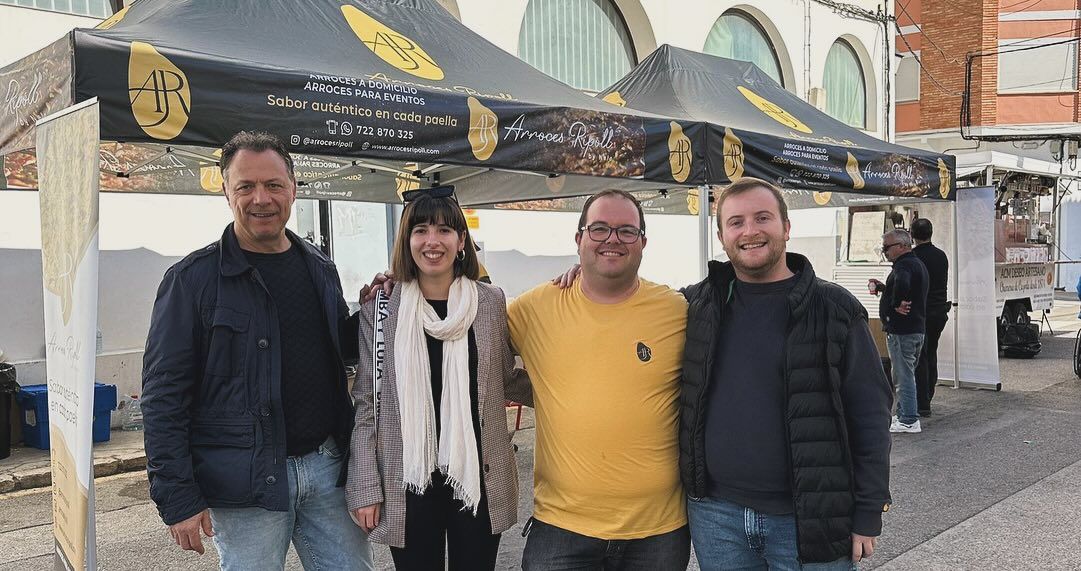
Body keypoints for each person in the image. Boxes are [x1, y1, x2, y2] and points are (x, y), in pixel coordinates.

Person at [141, 131, 373, 570]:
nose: (260, 198)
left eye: (273, 185)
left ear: (294, 190)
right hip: (246, 482)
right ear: (226, 192)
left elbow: (331, 350)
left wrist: (374, 310)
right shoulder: (191, 281)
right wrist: (177, 497)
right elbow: (163, 397)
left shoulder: (320, 268)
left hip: (327, 469)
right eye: (245, 186)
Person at [678, 178, 893, 569]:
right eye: (736, 222)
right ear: (722, 236)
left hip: (812, 517)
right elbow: (628, 300)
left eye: (763, 218)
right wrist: (581, 276)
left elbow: (871, 416)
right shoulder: (696, 304)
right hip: (716, 516)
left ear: (786, 228)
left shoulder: (835, 309)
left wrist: (868, 512)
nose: (750, 231)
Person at [347, 187, 526, 570]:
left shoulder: (491, 302)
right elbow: (367, 404)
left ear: (462, 241)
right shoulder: (382, 310)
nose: (432, 241)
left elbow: (506, 378)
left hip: (478, 476)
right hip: (408, 480)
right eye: (421, 229)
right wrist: (364, 485)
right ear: (406, 240)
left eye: (445, 230)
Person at [511, 190, 690, 570]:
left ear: (643, 242)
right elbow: (469, 333)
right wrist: (410, 280)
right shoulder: (535, 308)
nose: (612, 239)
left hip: (657, 532)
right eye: (599, 229)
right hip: (562, 527)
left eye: (627, 231)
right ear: (579, 240)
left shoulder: (677, 310)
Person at [870, 228, 929, 434]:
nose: (885, 251)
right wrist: (884, 289)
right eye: (883, 247)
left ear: (902, 246)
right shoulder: (916, 264)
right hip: (915, 328)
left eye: (887, 247)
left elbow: (903, 284)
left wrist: (895, 303)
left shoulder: (904, 266)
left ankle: (909, 419)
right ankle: (905, 413)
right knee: (904, 373)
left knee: (903, 376)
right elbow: (906, 287)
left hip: (903, 331)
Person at [911, 218, 949, 417]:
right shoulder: (941, 256)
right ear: (931, 233)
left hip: (921, 313)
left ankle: (922, 401)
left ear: (911, 235)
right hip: (939, 312)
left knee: (920, 358)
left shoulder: (913, 258)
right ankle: (929, 394)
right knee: (931, 353)